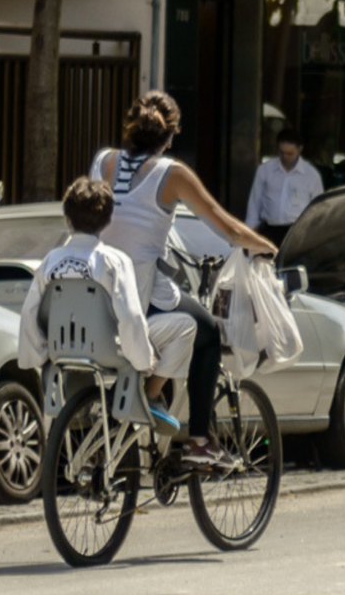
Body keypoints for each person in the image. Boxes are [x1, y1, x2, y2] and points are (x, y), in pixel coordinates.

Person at [90, 91, 276, 467]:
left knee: (180, 320)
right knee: (206, 331)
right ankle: (198, 439)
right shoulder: (172, 173)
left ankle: (149, 397)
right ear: (171, 136)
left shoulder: (103, 161)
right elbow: (226, 227)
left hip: (98, 292)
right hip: (140, 294)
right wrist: (265, 247)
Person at [17, 177, 197, 437]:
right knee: (185, 326)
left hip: (62, 351)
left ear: (67, 218)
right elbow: (131, 316)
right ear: (107, 220)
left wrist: (40, 354)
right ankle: (152, 395)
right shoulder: (113, 260)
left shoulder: (50, 261)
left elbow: (31, 312)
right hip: (110, 350)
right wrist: (143, 361)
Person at [245, 129, 324, 246]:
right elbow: (254, 203)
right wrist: (249, 232)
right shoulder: (265, 170)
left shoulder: (311, 175)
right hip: (269, 230)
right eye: (281, 152)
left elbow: (318, 208)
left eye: (290, 153)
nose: (285, 157)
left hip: (296, 232)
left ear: (299, 150)